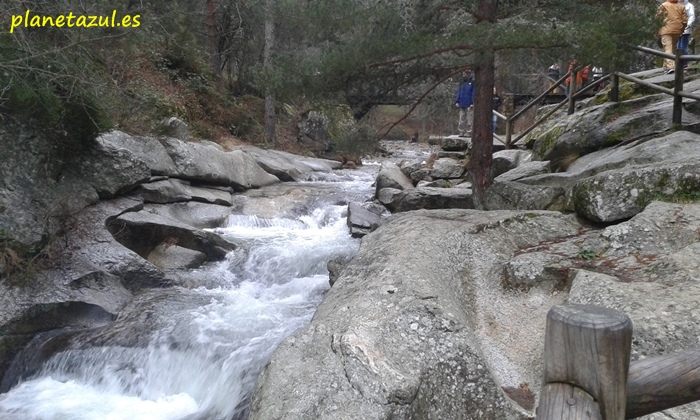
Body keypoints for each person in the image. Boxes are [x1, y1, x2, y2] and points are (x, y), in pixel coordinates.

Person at [658, 0, 688, 74]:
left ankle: (670, 67)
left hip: (665, 30)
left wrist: (657, 31)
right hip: (677, 30)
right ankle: (666, 67)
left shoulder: (663, 5)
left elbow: (658, 19)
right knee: (670, 49)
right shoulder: (681, 6)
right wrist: (682, 29)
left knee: (668, 48)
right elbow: (685, 21)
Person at [455, 70, 475, 136]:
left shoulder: (472, 83)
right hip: (461, 103)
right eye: (463, 74)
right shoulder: (461, 83)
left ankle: (469, 132)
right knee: (461, 118)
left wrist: (473, 102)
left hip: (469, 103)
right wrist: (457, 101)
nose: (463, 75)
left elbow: (473, 93)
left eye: (464, 74)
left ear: (467, 74)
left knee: (469, 118)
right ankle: (461, 131)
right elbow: (459, 92)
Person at [677, 0, 695, 68]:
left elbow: (692, 17)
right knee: (678, 46)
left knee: (683, 46)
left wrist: (688, 25)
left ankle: (684, 63)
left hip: (686, 29)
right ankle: (679, 63)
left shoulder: (689, 6)